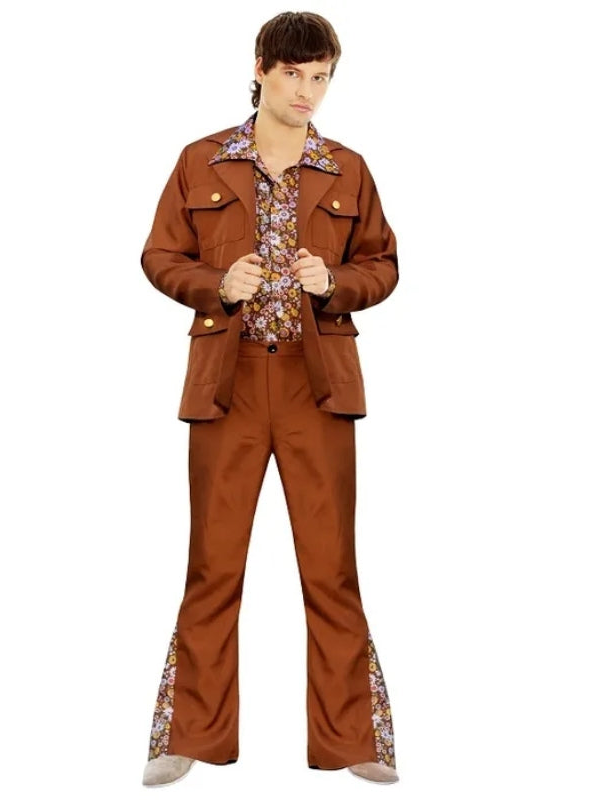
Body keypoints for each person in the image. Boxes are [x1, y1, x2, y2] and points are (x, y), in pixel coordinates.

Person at [140, 11, 400, 787]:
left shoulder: (348, 168)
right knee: (213, 565)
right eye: (293, 74)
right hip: (227, 384)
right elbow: (159, 254)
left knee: (331, 568)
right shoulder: (200, 160)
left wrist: (337, 282)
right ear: (261, 68)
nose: (307, 91)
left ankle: (354, 740)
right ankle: (189, 734)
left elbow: (384, 264)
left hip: (318, 388)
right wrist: (214, 283)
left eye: (320, 77)